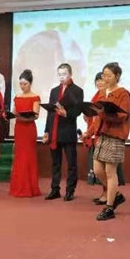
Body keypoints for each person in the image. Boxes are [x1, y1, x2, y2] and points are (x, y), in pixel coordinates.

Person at [86, 62, 130, 221]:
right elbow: (98, 118)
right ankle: (116, 194)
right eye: (104, 75)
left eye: (108, 75)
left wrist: (103, 113)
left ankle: (109, 207)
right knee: (97, 169)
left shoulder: (123, 93)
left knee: (111, 172)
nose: (105, 78)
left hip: (115, 136)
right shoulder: (102, 92)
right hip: (102, 135)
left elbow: (122, 116)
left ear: (117, 76)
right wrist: (89, 132)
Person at [43, 63, 84, 202]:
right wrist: (46, 131)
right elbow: (50, 112)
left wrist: (66, 113)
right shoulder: (54, 91)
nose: (62, 77)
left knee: (71, 163)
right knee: (55, 163)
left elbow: (78, 111)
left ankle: (70, 190)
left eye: (64, 74)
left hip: (68, 130)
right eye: (59, 74)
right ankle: (55, 189)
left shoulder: (77, 90)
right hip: (54, 131)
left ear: (70, 74)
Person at [82, 72, 125, 194]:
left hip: (108, 136)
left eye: (102, 80)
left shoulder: (112, 96)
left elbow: (114, 116)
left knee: (108, 170)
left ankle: (110, 194)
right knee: (98, 169)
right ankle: (108, 193)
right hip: (95, 135)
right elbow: (94, 119)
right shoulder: (96, 96)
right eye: (97, 80)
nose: (99, 82)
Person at [8, 69, 41, 197]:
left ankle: (29, 187)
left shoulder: (35, 97)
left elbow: (35, 115)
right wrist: (9, 115)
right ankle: (19, 186)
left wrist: (23, 117)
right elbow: (14, 112)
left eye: (25, 84)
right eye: (21, 84)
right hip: (19, 128)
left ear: (30, 83)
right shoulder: (17, 96)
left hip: (29, 129)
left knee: (28, 156)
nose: (22, 86)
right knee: (19, 156)